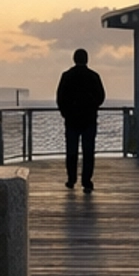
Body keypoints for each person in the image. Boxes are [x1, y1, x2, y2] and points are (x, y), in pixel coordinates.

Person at [56, 46, 106, 192]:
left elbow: (60, 98)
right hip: (89, 120)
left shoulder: (67, 76)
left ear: (74, 59)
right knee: (88, 152)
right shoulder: (93, 76)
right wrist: (92, 107)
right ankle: (87, 181)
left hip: (71, 120)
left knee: (71, 151)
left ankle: (71, 179)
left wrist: (65, 113)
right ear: (87, 60)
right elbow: (101, 97)